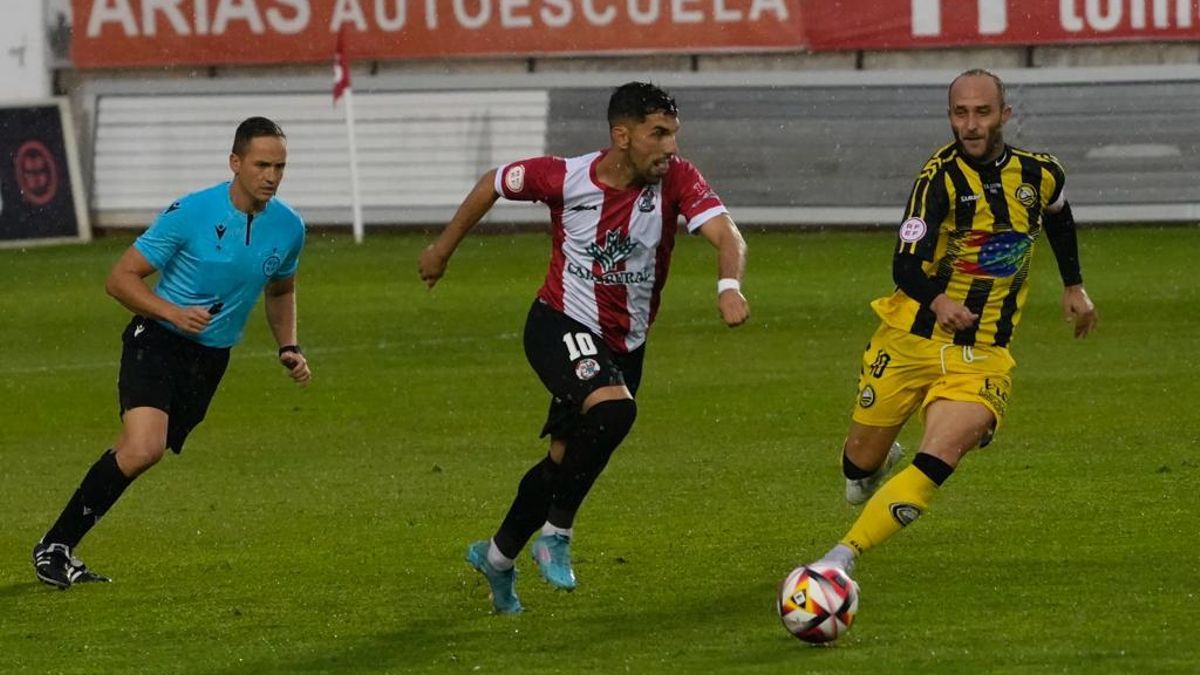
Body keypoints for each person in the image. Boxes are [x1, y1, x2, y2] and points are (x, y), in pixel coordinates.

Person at [419, 82, 750, 614]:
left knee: (564, 459)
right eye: (657, 134)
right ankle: (557, 534)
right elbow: (493, 183)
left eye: (674, 134)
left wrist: (728, 285)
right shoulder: (565, 176)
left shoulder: (678, 180)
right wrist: (442, 248)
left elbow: (728, 235)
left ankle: (497, 557)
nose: (670, 146)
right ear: (622, 135)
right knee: (615, 410)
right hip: (558, 322)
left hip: (626, 343)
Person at [811, 69, 1098, 576]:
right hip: (910, 339)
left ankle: (840, 559)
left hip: (983, 348)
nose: (970, 124)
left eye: (981, 112)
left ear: (1004, 115)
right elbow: (903, 264)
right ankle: (870, 468)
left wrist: (1073, 285)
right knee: (858, 466)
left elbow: (1058, 214)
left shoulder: (1041, 173)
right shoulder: (937, 180)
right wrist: (939, 300)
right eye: (960, 113)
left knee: (939, 455)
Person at [32, 117, 310, 589]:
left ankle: (59, 548)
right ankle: (54, 546)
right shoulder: (192, 212)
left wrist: (288, 345)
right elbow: (119, 279)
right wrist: (171, 312)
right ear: (235, 163)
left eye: (280, 166)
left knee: (137, 452)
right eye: (262, 164)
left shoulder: (289, 227)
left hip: (210, 360)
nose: (271, 176)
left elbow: (281, 291)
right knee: (144, 448)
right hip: (156, 341)